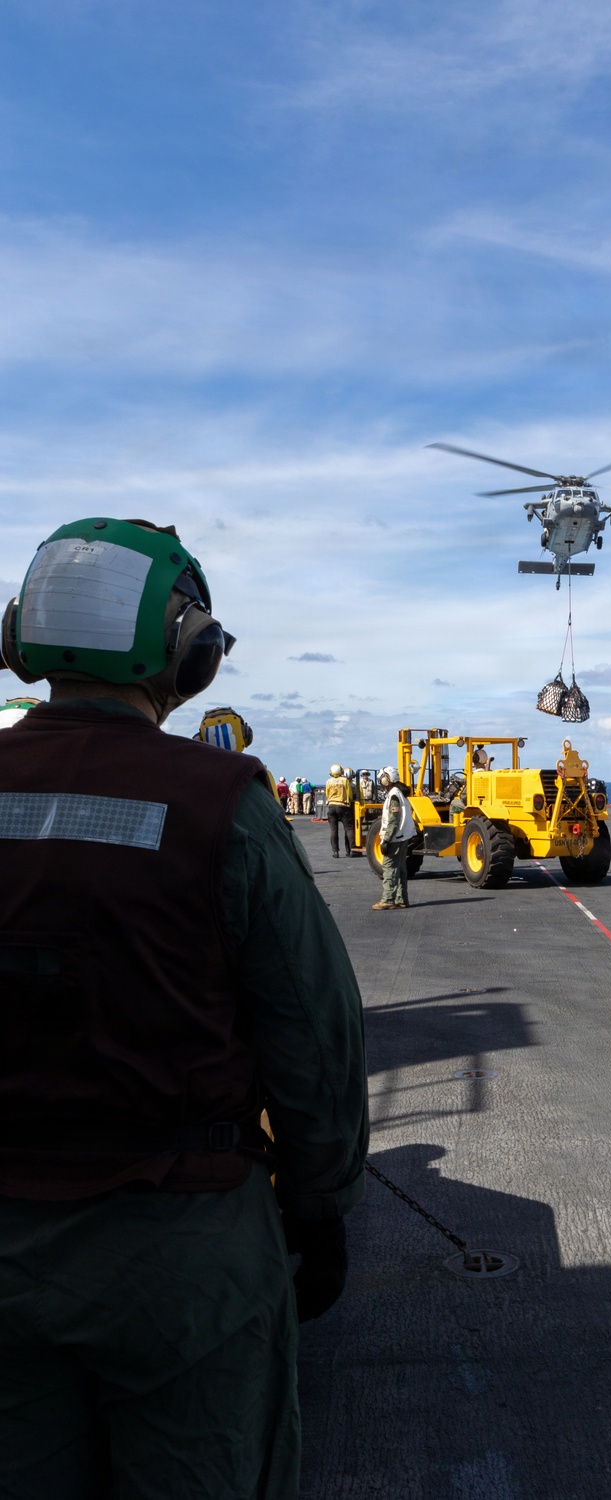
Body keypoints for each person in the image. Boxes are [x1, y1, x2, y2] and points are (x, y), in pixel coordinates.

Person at [0, 517, 369, 1498]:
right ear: (188, 652)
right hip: (180, 1242)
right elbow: (312, 1031)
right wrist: (322, 1206)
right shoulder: (221, 801)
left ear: (19, 638)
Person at [372, 768, 415, 911]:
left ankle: (388, 900)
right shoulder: (399, 793)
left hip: (395, 837)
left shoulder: (394, 795)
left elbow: (393, 819)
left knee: (389, 867)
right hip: (403, 836)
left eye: (381, 779)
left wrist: (386, 839)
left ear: (386, 779)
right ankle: (401, 899)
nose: (380, 782)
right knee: (401, 867)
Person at [326, 762, 354, 858]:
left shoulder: (328, 781)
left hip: (331, 806)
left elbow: (327, 794)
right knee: (349, 828)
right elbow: (349, 793)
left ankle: (335, 852)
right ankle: (352, 850)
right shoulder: (344, 780)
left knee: (333, 830)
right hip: (343, 805)